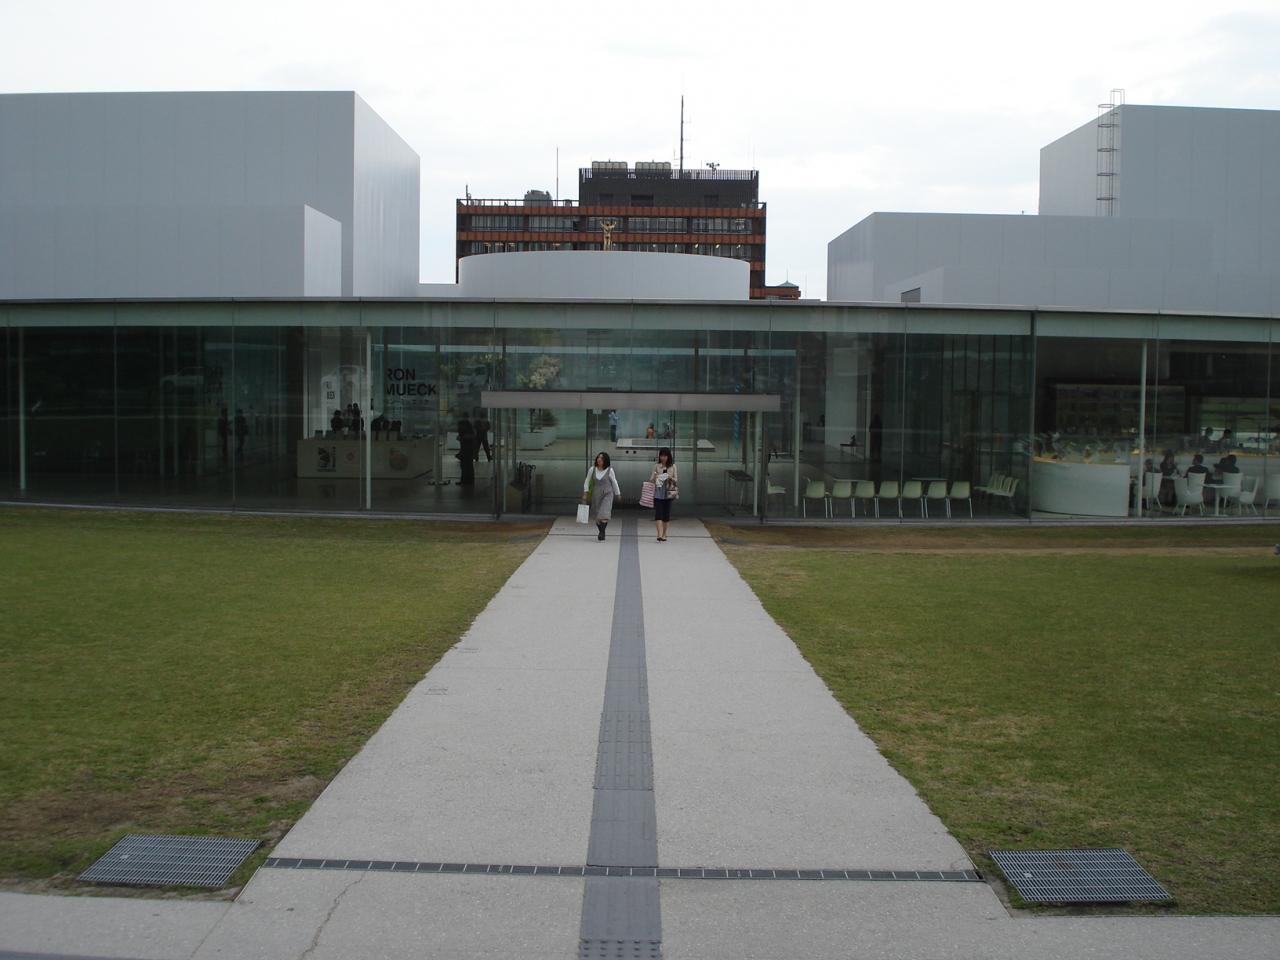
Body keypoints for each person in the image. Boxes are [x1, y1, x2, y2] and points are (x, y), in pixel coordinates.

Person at [583, 451, 621, 540]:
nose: (599, 459)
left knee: (604, 513)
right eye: (598, 457)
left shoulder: (610, 470)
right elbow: (587, 481)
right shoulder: (592, 469)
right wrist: (585, 493)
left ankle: (602, 533)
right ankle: (602, 531)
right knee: (597, 516)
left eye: (602, 458)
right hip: (596, 494)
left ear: (605, 461)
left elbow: (614, 482)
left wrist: (618, 494)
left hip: (608, 493)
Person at [648, 446, 678, 542]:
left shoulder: (673, 466)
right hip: (658, 493)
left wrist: (669, 477)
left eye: (665, 456)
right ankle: (659, 534)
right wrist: (656, 476)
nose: (663, 458)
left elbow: (676, 480)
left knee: (666, 515)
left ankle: (664, 534)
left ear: (668, 456)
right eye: (661, 456)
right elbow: (651, 480)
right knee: (658, 514)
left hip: (668, 493)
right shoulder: (656, 466)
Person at [456, 417, 477, 485]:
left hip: (467, 450)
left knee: (466, 466)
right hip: (466, 450)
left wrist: (462, 438)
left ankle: (466, 480)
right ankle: (466, 480)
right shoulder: (467, 430)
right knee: (466, 466)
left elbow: (470, 437)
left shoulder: (467, 432)